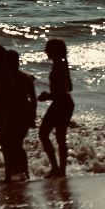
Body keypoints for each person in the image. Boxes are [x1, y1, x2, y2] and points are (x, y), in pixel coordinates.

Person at [0, 48, 38, 181]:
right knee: (18, 145)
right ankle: (25, 172)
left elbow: (0, 100)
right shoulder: (26, 77)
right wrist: (32, 116)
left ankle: (9, 174)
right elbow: (33, 99)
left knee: (9, 146)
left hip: (10, 116)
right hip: (24, 115)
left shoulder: (4, 79)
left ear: (7, 63)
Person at [37, 37, 75, 178]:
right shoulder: (63, 65)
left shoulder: (58, 66)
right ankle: (61, 170)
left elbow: (60, 92)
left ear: (55, 51)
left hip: (61, 103)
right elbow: (69, 88)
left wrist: (48, 96)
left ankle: (55, 168)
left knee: (43, 134)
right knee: (60, 138)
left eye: (48, 48)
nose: (46, 51)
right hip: (66, 102)